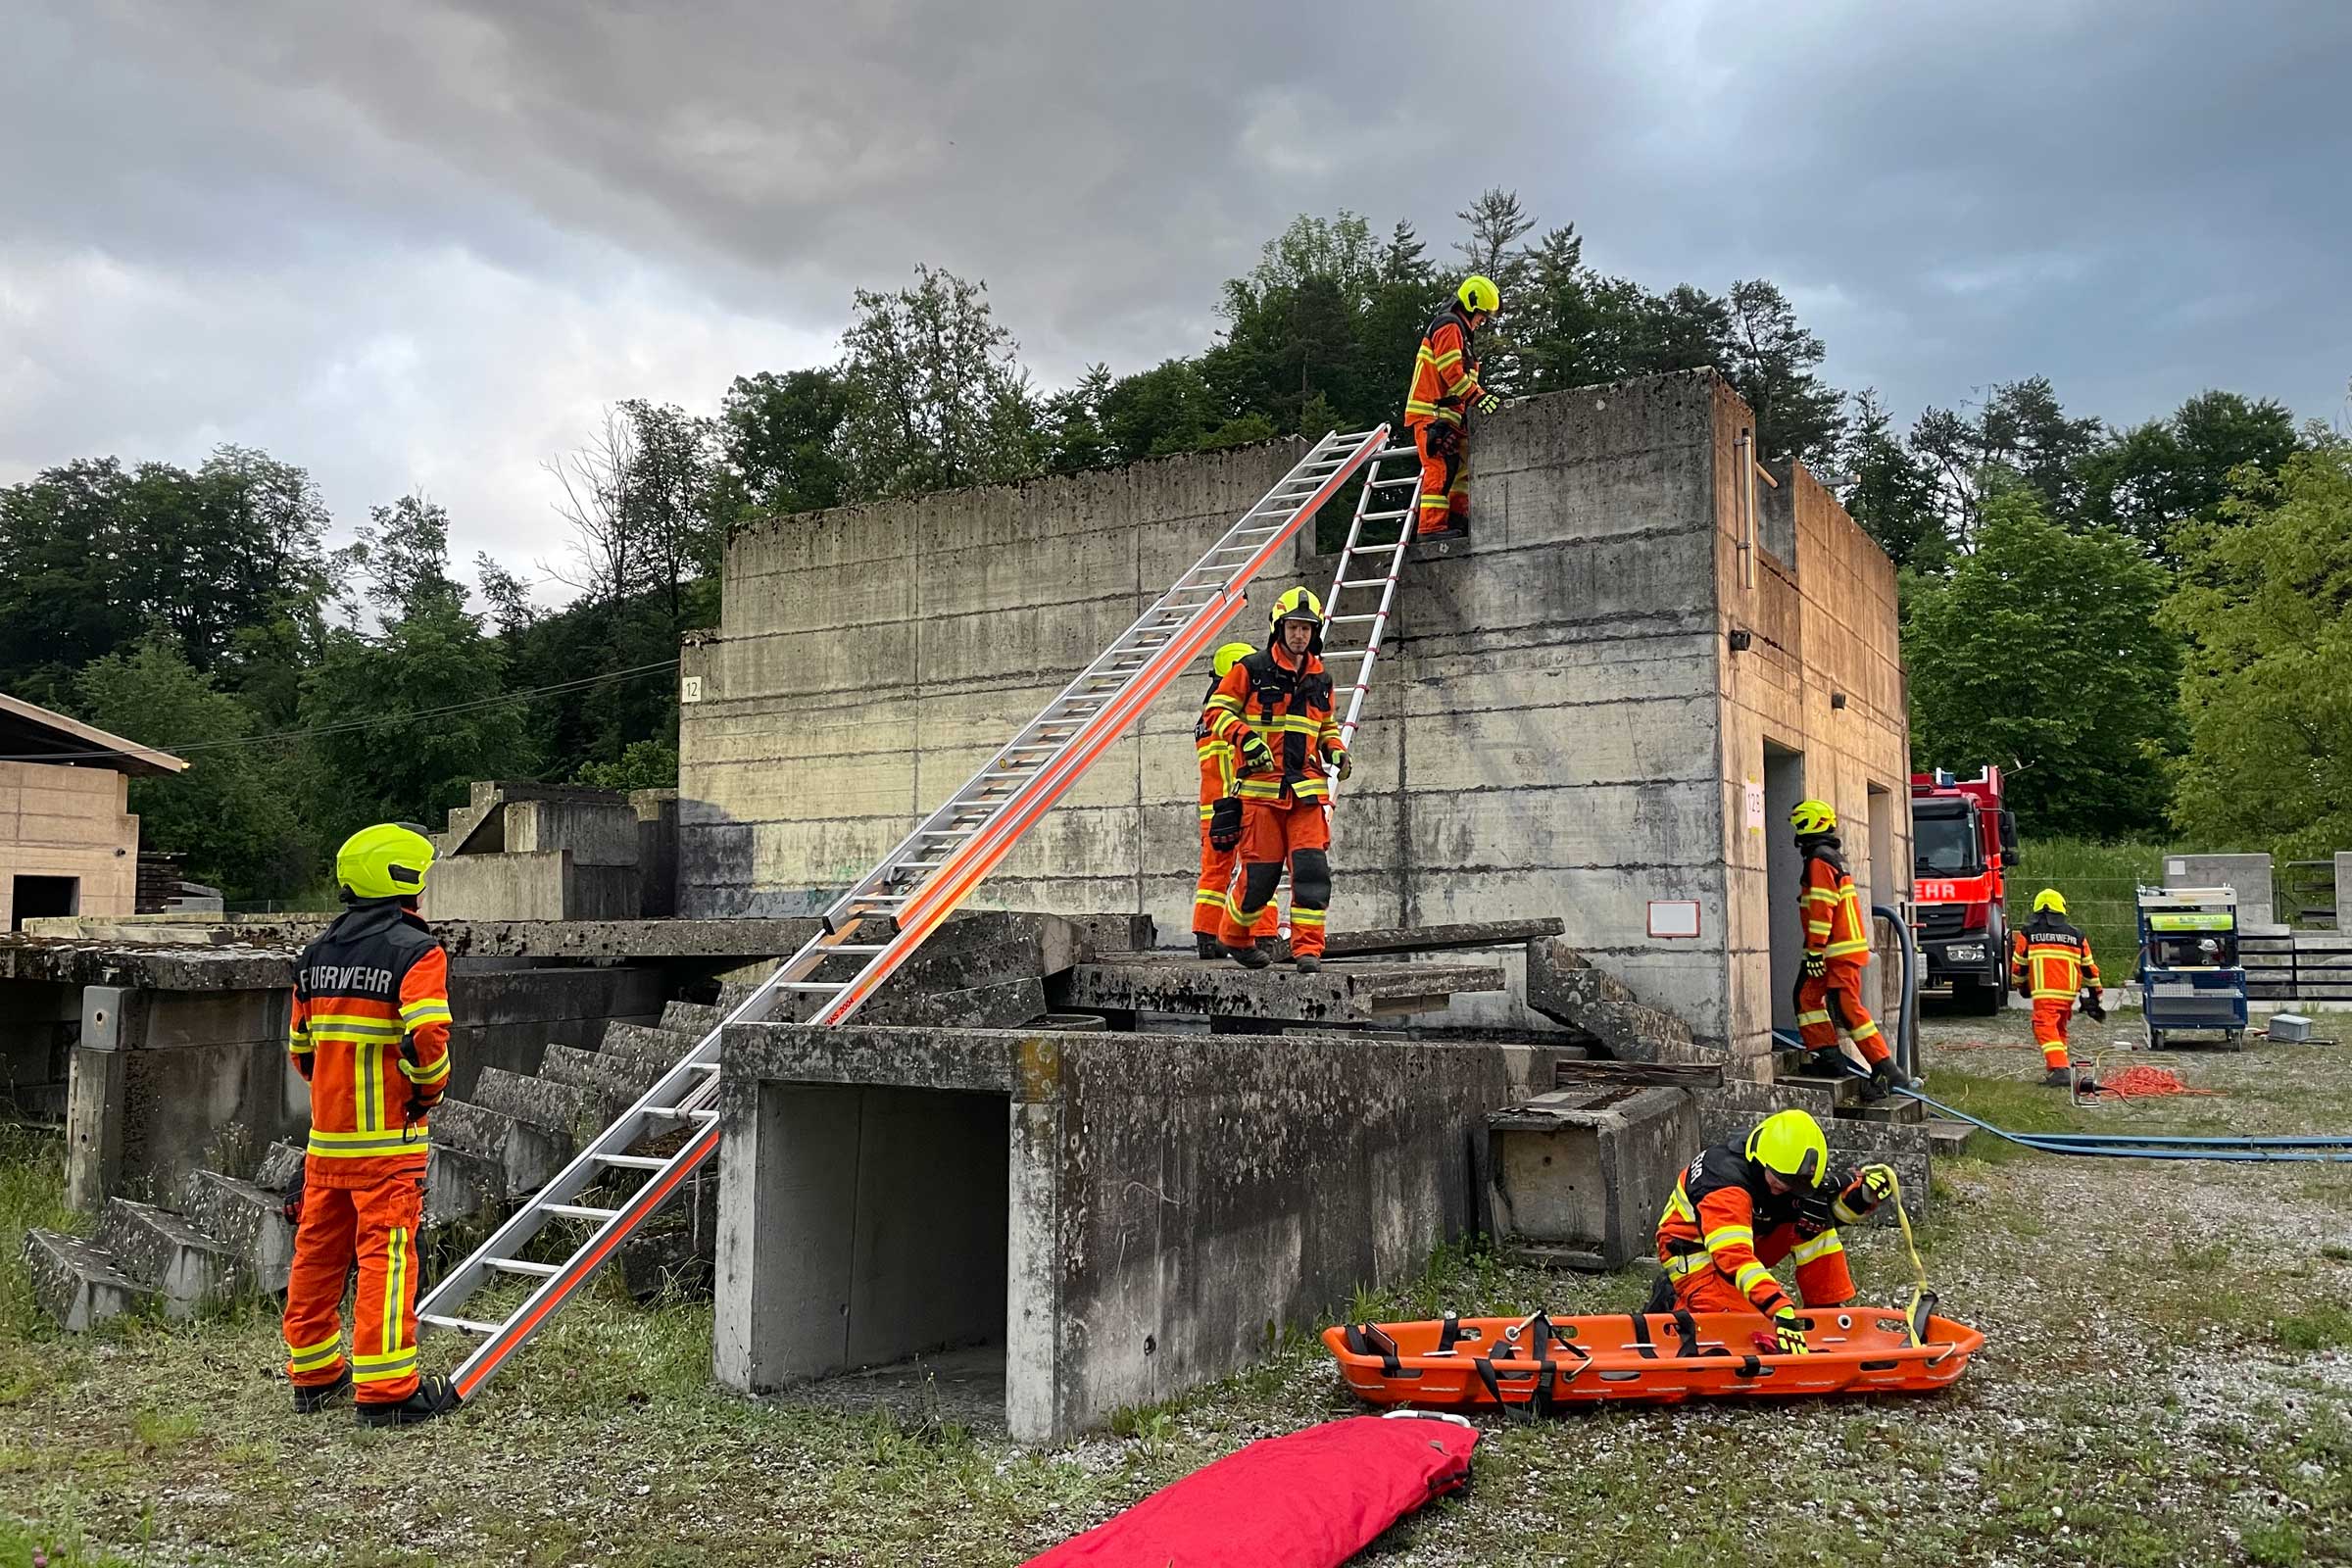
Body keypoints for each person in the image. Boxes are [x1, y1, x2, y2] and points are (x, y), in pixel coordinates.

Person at [281, 822, 462, 1427]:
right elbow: (428, 1035)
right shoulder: (416, 950)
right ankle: (387, 1394)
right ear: (405, 881)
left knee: (317, 1255)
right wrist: (427, 1091)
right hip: (388, 1142)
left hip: (326, 1142)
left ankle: (313, 1375)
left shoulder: (317, 954)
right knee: (385, 1257)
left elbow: (301, 1050)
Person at [1653, 1109, 1898, 1353]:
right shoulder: (1724, 1183)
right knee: (1746, 1334)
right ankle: (1674, 1303)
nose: (1785, 1189)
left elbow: (1832, 1213)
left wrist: (1862, 1197)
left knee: (1815, 1221)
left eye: (1795, 1185)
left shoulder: (1781, 1166)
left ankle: (1827, 1315)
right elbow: (1733, 1256)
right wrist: (1778, 1306)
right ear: (1762, 1161)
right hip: (1699, 1256)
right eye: (1782, 1182)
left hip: (1748, 1238)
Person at [1203, 587, 1348, 973]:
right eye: (1293, 627)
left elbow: (1326, 726)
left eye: (1306, 628)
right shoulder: (1251, 669)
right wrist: (1245, 737)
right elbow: (1215, 711)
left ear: (1314, 633)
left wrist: (1335, 749)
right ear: (1278, 628)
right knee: (1259, 881)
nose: (1299, 635)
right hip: (1262, 796)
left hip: (1305, 794)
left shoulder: (1322, 680)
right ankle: (1234, 937)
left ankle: (1308, 951)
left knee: (1312, 873)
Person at [1789, 799, 1907, 1102]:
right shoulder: (1830, 857)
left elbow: (1821, 908)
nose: (1796, 833)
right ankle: (1830, 1059)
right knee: (1807, 998)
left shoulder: (1819, 859)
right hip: (1834, 949)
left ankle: (1885, 1069)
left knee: (1847, 1008)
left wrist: (1815, 950)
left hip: (1833, 950)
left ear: (1809, 825)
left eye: (1798, 825)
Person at [1193, 640, 1279, 959]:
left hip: (1212, 810)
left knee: (1213, 874)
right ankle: (1264, 935)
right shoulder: (1236, 718)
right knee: (1260, 869)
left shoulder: (1205, 719)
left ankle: (1207, 938)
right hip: (1242, 804)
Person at [1402, 275, 1500, 540]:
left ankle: (1456, 521)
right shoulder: (1449, 326)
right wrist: (1476, 397)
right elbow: (1451, 372)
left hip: (1448, 415)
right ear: (1470, 305)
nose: (1482, 322)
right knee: (1439, 469)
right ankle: (1430, 528)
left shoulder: (1461, 334)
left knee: (1459, 471)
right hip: (1431, 414)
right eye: (1482, 316)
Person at [2010, 888, 2103, 1089]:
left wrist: (2021, 986)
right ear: (2061, 910)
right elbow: (2090, 969)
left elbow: (2019, 966)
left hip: (2044, 993)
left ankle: (2060, 1069)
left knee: (2043, 1027)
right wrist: (2096, 995)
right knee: (2058, 1030)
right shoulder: (2076, 935)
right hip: (2067, 995)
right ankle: (2057, 1068)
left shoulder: (2029, 933)